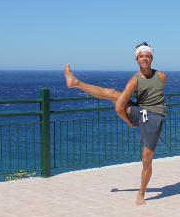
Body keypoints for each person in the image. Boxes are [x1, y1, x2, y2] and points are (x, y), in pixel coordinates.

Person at [63, 42, 166, 205]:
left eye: (147, 55)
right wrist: (129, 121)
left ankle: (141, 192)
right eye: (141, 56)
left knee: (146, 160)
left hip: (153, 118)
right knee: (112, 94)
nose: (144, 58)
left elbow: (153, 97)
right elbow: (119, 107)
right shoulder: (134, 81)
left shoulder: (161, 76)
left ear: (152, 57)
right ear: (137, 60)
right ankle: (75, 83)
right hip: (140, 113)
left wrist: (132, 112)